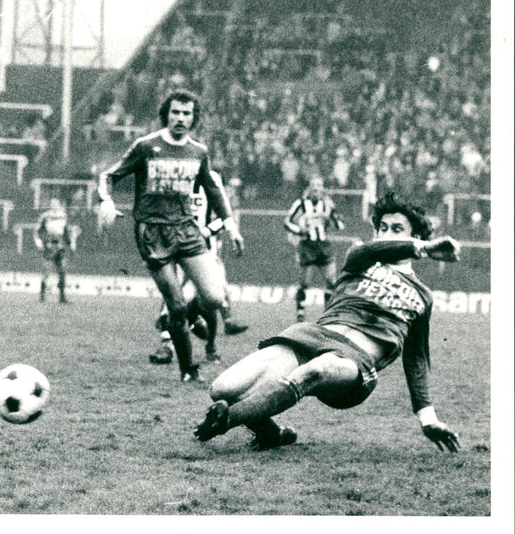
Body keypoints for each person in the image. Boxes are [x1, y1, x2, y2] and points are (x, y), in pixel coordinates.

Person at [194, 192, 461, 454]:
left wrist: (428, 419)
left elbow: (416, 358)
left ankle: (225, 420)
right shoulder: (360, 257)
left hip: (354, 364)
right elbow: (372, 248)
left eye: (397, 229)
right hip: (312, 337)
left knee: (320, 368)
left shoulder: (422, 295)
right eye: (382, 228)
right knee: (223, 388)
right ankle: (271, 433)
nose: (387, 234)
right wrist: (423, 248)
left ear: (414, 236)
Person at [98, 90, 244, 383]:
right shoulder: (146, 146)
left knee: (214, 297)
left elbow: (212, 189)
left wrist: (231, 225)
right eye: (175, 112)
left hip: (188, 230)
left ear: (194, 118)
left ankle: (187, 320)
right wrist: (106, 200)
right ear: (167, 114)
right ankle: (188, 369)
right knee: (175, 304)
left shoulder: (199, 152)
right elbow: (109, 176)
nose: (180, 118)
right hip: (152, 233)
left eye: (186, 113)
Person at [149, 168, 249, 366]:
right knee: (172, 291)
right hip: (175, 247)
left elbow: (224, 216)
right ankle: (166, 346)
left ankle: (208, 342)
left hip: (203, 253)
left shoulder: (211, 180)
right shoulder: (173, 177)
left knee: (210, 301)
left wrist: (206, 231)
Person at [284, 176, 345, 322]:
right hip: (307, 246)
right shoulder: (301, 203)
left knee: (331, 281)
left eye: (319, 185)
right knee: (305, 283)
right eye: (314, 185)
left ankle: (328, 312)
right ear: (309, 188)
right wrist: (300, 230)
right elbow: (287, 222)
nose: (316, 188)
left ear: (322, 188)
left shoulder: (328, 204)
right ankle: (300, 312)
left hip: (324, 245)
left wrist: (330, 217)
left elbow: (339, 226)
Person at [34, 198, 74, 303]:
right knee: (46, 270)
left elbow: (67, 231)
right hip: (49, 245)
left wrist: (70, 243)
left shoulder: (64, 216)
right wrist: (39, 243)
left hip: (60, 245)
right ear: (50, 205)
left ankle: (62, 296)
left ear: (59, 205)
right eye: (52, 204)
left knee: (62, 271)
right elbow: (37, 231)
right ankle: (42, 296)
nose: (54, 205)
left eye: (56, 204)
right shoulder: (45, 216)